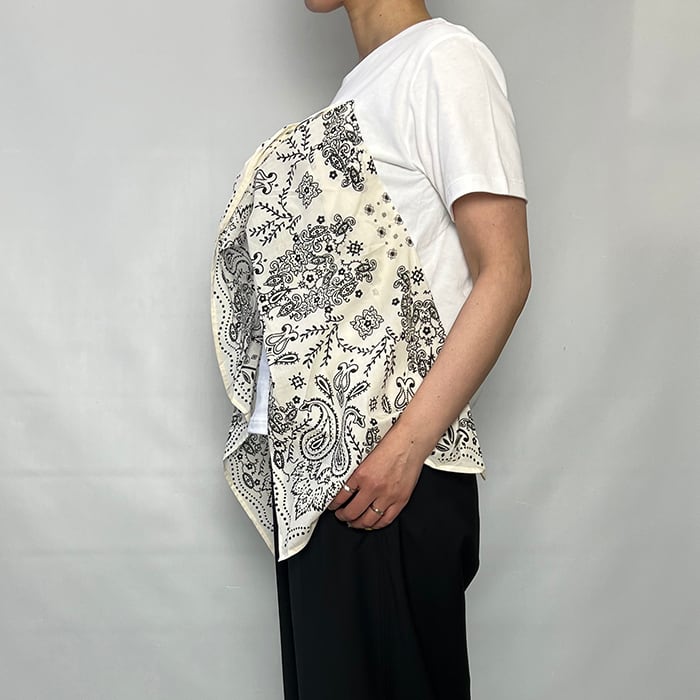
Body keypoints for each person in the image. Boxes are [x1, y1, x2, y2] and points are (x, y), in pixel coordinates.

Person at [211, 1, 531, 698]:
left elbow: (505, 273)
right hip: (318, 491)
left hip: (389, 480)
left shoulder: (444, 60)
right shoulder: (358, 91)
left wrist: (404, 452)